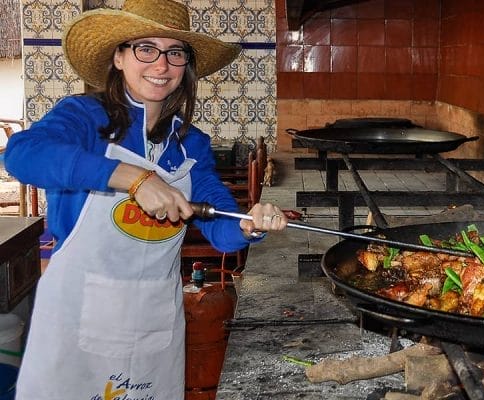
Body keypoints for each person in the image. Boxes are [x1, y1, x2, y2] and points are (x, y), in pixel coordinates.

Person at [4, 0, 288, 398]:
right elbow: (21, 154)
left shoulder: (192, 144)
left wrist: (248, 224)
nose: (161, 65)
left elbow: (221, 230)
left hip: (153, 323)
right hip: (76, 322)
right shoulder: (84, 118)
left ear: (186, 66)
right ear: (119, 57)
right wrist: (132, 178)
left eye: (175, 52)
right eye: (146, 49)